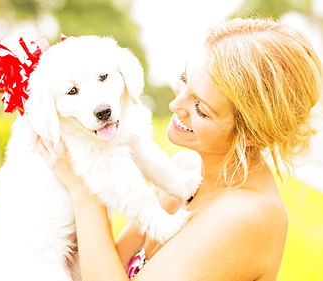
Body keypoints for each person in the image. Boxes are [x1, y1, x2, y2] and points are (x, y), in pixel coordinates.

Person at [38, 17, 322, 280]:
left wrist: (84, 192)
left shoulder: (248, 216)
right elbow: (104, 265)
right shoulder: (184, 167)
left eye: (200, 108)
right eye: (185, 79)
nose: (175, 105)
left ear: (251, 133)